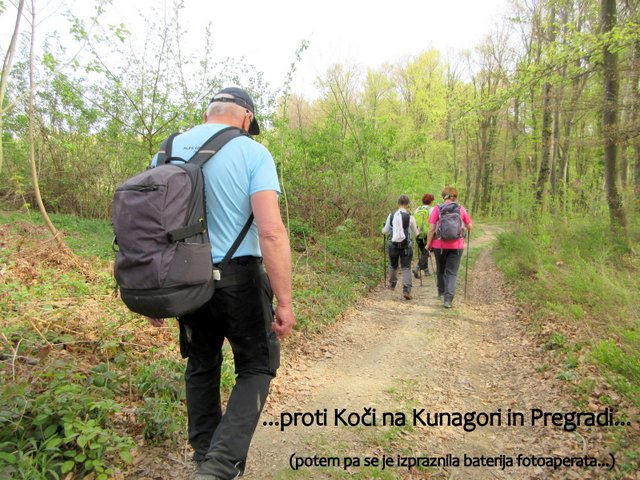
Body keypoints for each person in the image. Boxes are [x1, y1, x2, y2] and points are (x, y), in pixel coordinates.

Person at [147, 87, 295, 480]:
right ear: (247, 118)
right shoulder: (252, 153)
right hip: (239, 279)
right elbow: (271, 232)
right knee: (257, 366)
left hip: (184, 280)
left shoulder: (165, 151)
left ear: (208, 114)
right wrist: (284, 300)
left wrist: (155, 293)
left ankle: (204, 454)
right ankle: (219, 465)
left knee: (201, 362)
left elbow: (151, 231)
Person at [425, 186, 472, 309]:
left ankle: (441, 292)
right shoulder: (461, 209)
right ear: (454, 197)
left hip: (439, 245)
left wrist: (428, 245)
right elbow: (470, 226)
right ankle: (448, 300)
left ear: (443, 196)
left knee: (440, 269)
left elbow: (431, 229)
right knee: (452, 272)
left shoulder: (438, 208)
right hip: (457, 246)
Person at [382, 194, 419, 300]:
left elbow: (384, 231)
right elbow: (416, 234)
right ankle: (406, 290)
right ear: (408, 204)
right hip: (406, 246)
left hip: (392, 246)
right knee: (406, 267)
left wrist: (384, 228)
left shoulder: (391, 215)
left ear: (398, 203)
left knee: (393, 265)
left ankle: (392, 284)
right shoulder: (410, 217)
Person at [412, 193, 435, 278]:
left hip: (417, 233)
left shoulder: (417, 209)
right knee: (426, 252)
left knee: (424, 252)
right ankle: (417, 267)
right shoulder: (432, 209)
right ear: (431, 201)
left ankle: (426, 271)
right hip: (428, 233)